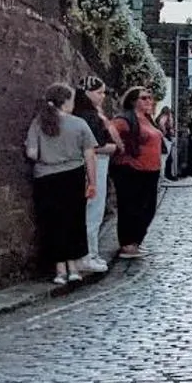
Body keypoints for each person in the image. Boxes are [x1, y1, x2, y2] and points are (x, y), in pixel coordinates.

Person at [25, 83, 96, 286]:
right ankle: (73, 267)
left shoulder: (38, 123)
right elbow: (89, 155)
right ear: (65, 101)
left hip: (45, 178)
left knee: (52, 223)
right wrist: (92, 182)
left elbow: (32, 154)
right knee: (73, 222)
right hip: (72, 176)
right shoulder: (79, 124)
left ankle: (59, 271)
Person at [69, 76, 122, 274]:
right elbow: (93, 145)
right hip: (94, 164)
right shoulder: (87, 116)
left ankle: (91, 252)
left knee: (93, 210)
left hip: (96, 164)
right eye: (99, 92)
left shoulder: (85, 114)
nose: (102, 96)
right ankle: (87, 254)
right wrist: (111, 148)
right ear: (88, 93)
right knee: (92, 210)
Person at [111, 86, 164, 258]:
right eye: (144, 98)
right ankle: (127, 244)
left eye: (150, 97)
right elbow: (110, 130)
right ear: (133, 101)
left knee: (148, 209)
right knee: (130, 208)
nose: (149, 101)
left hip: (151, 170)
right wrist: (120, 146)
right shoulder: (125, 118)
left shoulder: (148, 119)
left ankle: (136, 241)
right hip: (132, 169)